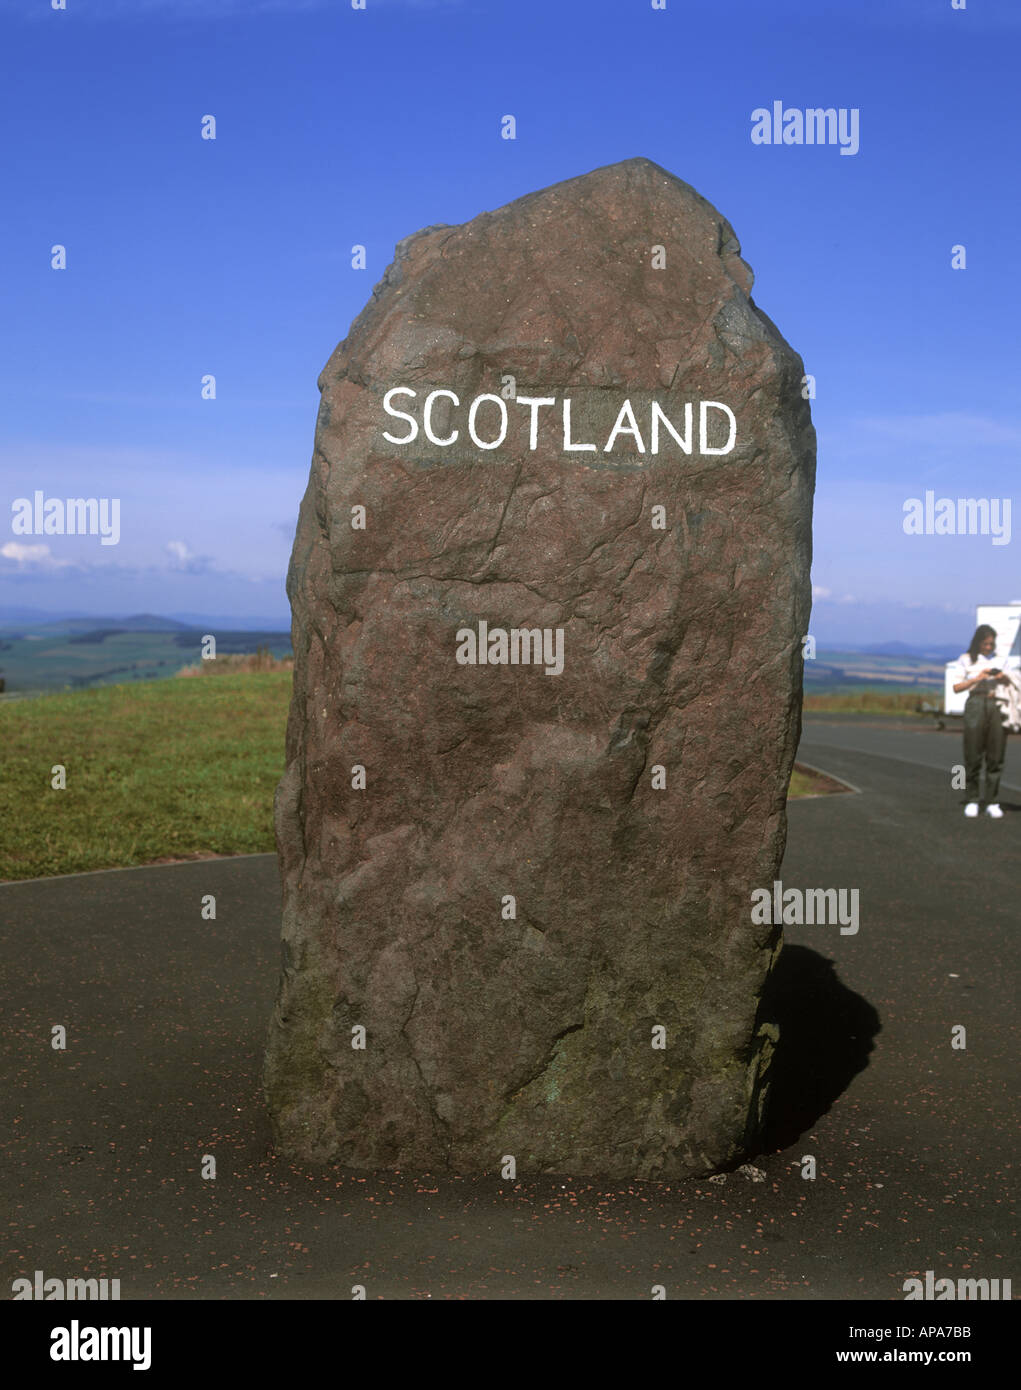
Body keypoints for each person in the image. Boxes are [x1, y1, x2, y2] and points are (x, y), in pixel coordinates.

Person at [950, 625, 1007, 818]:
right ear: (978, 643)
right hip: (975, 702)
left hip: (997, 703)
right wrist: (978, 677)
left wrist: (1003, 677)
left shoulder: (1000, 659)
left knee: (996, 754)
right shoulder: (965, 660)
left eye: (992, 644)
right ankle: (972, 798)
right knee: (973, 752)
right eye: (986, 644)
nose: (989, 647)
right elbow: (956, 687)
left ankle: (992, 801)